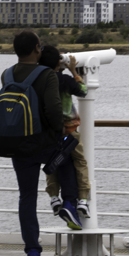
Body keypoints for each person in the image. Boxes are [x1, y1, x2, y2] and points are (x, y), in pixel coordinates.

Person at [0, 31, 79, 256]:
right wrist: (57, 135)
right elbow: (54, 110)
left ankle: (32, 251)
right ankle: (69, 203)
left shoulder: (6, 74)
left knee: (26, 196)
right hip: (42, 143)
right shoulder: (47, 74)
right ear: (36, 48)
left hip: (16, 143)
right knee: (68, 154)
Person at [39, 46, 90, 220]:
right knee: (80, 162)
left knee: (51, 163)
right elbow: (83, 91)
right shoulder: (65, 80)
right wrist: (74, 71)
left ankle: (54, 197)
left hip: (49, 132)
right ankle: (83, 199)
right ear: (58, 63)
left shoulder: (41, 79)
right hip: (69, 131)